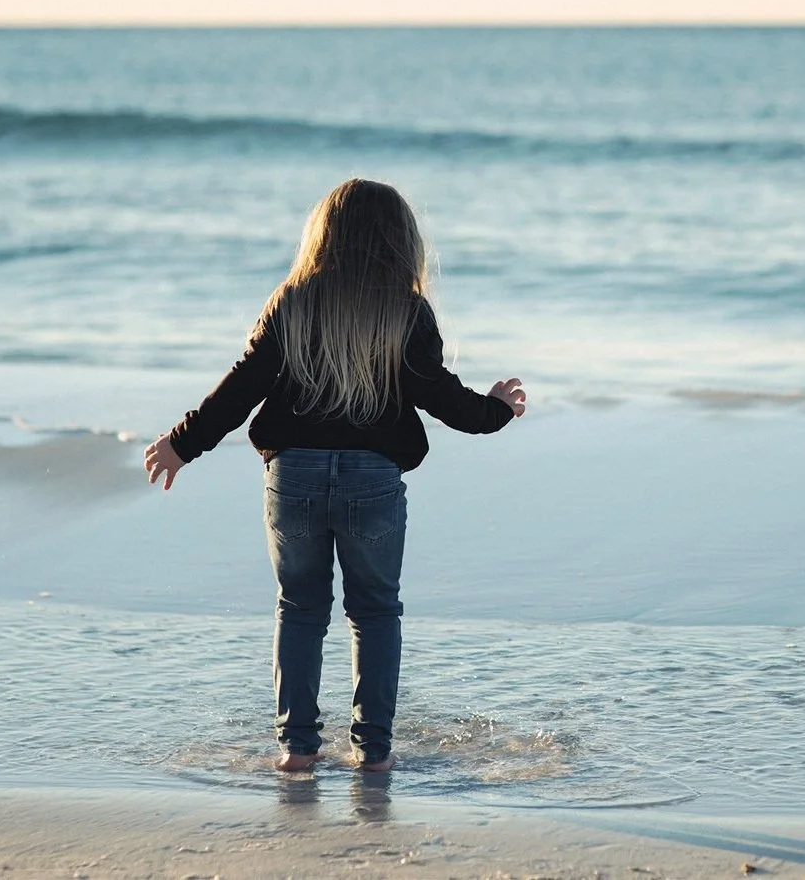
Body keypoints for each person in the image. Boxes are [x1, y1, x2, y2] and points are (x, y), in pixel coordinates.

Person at [142, 179, 524, 773]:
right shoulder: (406, 310)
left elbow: (242, 387)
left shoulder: (292, 299)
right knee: (373, 612)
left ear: (323, 233)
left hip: (293, 477)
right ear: (400, 242)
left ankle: (296, 749)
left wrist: (182, 442)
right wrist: (496, 409)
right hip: (373, 481)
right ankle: (372, 754)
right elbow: (440, 397)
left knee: (299, 608)